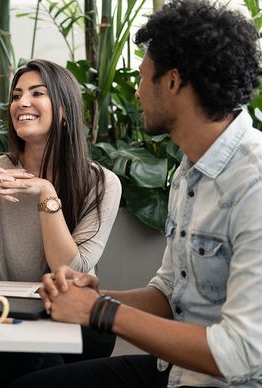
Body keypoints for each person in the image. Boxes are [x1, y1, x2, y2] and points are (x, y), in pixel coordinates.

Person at [13, 1, 262, 387]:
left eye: (143, 76)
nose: (136, 91)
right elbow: (169, 292)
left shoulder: (254, 183)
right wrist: (95, 296)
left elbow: (241, 353)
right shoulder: (190, 169)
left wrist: (101, 312)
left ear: (173, 82)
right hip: (176, 372)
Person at [0, 59, 122, 387]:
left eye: (36, 93)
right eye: (16, 96)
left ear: (64, 109)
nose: (21, 103)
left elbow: (71, 272)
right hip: (7, 317)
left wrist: (46, 192)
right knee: (25, 353)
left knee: (29, 357)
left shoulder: (101, 182)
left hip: (78, 321)